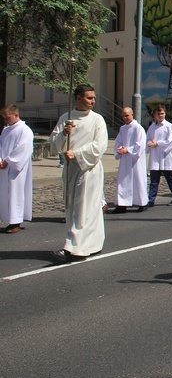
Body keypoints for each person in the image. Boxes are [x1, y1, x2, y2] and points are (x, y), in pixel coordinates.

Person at [49, 85, 108, 263]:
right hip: (70, 169)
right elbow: (54, 146)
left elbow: (100, 146)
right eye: (89, 98)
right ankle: (91, 244)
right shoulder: (66, 118)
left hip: (88, 169)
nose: (93, 101)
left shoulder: (97, 120)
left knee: (82, 209)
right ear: (78, 98)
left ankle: (73, 247)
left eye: (94, 98)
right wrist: (64, 135)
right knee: (74, 207)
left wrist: (77, 153)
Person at [0, 104, 34, 233]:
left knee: (16, 192)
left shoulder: (24, 130)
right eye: (4, 118)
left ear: (16, 115)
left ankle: (15, 221)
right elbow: (0, 145)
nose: (5, 120)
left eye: (7, 117)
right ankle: (8, 218)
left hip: (16, 168)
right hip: (4, 166)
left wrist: (9, 161)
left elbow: (23, 148)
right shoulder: (6, 130)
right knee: (5, 193)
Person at [111, 107, 148, 214]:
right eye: (123, 116)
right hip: (125, 159)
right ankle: (122, 204)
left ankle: (142, 203)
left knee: (138, 180)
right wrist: (119, 149)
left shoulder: (138, 128)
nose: (125, 118)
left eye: (127, 115)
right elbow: (118, 141)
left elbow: (140, 145)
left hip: (135, 159)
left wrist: (128, 149)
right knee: (123, 181)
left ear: (132, 115)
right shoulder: (123, 129)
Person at [147, 105, 172, 207]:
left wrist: (157, 143)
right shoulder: (152, 127)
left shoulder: (169, 126)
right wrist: (149, 143)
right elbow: (147, 138)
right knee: (154, 179)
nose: (160, 115)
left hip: (165, 156)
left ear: (165, 114)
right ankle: (151, 199)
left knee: (169, 177)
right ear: (155, 115)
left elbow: (171, 141)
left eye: (162, 113)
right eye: (158, 114)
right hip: (155, 156)